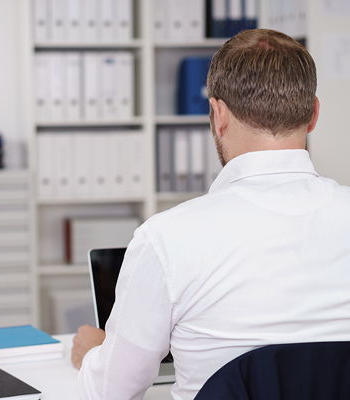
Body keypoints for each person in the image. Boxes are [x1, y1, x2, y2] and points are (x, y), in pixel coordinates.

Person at [71, 28, 350, 400]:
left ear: (217, 114)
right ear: (314, 114)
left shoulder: (166, 239)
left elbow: (109, 394)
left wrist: (94, 354)